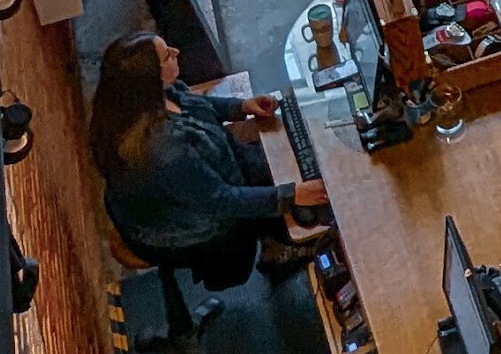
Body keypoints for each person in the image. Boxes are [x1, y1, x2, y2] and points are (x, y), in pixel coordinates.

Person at [91, 31, 328, 290]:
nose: (176, 52)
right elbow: (222, 201)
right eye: (167, 55)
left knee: (275, 170)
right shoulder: (165, 151)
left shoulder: (144, 99)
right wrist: (292, 195)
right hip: (192, 225)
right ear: (150, 78)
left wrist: (241, 107)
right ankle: (282, 248)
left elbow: (195, 105)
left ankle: (276, 234)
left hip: (198, 185)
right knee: (302, 212)